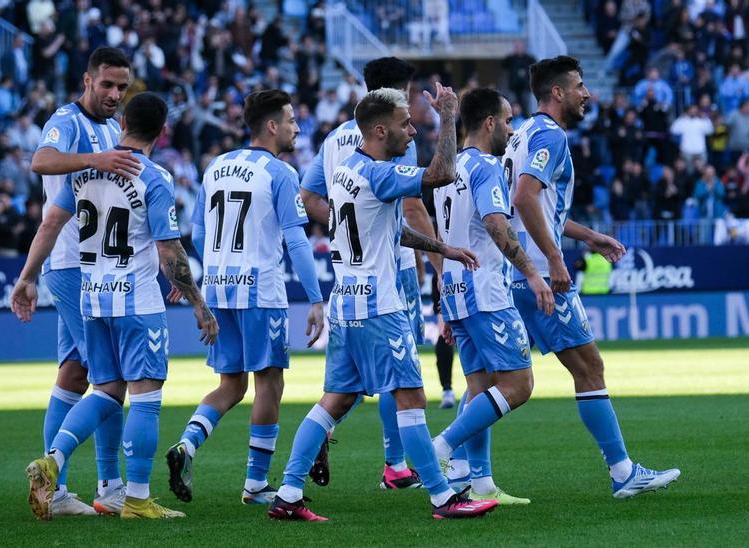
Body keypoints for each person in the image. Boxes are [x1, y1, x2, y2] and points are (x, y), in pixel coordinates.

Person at [267, 86, 493, 522]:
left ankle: (288, 493)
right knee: (411, 396)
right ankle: (443, 497)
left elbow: (386, 229)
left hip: (346, 305)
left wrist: (441, 248)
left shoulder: (348, 171)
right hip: (379, 307)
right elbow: (442, 173)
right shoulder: (381, 174)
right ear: (378, 129)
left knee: (334, 401)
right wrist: (448, 117)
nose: (411, 130)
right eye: (405, 123)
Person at [12, 92, 218, 520]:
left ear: (122, 122)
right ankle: (138, 499)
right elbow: (169, 250)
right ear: (163, 131)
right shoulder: (154, 176)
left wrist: (28, 275)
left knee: (106, 390)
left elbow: (52, 222)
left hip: (92, 298)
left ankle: (54, 460)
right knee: (146, 396)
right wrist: (199, 304)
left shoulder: (86, 173)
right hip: (137, 300)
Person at [506, 55, 680, 498]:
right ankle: (623, 473)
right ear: (558, 92)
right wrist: (555, 259)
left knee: (492, 379)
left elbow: (535, 209)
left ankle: (458, 465)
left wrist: (588, 237)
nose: (588, 94)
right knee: (589, 367)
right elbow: (525, 199)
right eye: (580, 86)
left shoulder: (522, 133)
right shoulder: (551, 136)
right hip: (541, 275)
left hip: (511, 272)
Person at [162, 90, 326, 506]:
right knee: (269, 382)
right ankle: (255, 485)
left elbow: (196, 234)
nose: (296, 127)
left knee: (230, 384)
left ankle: (187, 445)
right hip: (260, 289)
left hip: (218, 288)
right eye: (290, 120)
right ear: (271, 126)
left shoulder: (216, 166)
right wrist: (315, 299)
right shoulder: (281, 172)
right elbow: (296, 241)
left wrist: (211, 272)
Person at [297, 57, 444, 490]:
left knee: (345, 388)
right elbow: (415, 204)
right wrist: (434, 265)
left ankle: (293, 479)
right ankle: (398, 465)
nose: (414, 109)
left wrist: (346, 230)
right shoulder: (396, 134)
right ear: (396, 93)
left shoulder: (336, 138)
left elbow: (308, 196)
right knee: (402, 374)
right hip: (387, 269)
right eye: (411, 93)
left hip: (347, 276)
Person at [24, 47, 141, 517]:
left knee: (74, 374)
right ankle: (110, 486)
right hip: (74, 264)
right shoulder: (68, 120)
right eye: (107, 85)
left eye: (122, 87)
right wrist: (98, 158)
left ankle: (55, 492)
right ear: (87, 80)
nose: (114, 94)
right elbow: (41, 160)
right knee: (112, 378)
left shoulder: (113, 129)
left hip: (98, 265)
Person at [427, 87, 553, 505]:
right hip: (487, 292)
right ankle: (439, 448)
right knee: (518, 385)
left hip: (458, 292)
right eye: (508, 120)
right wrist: (534, 274)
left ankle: (481, 482)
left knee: (480, 389)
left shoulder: (448, 169)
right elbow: (497, 226)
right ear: (489, 123)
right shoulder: (484, 166)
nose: (511, 128)